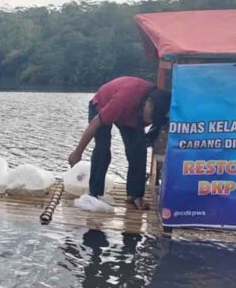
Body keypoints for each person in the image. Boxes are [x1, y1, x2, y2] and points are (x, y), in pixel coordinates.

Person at [67, 76, 171, 210]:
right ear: (148, 103)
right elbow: (94, 125)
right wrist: (78, 152)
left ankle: (135, 195)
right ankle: (95, 193)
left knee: (138, 150)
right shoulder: (123, 100)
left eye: (153, 120)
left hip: (129, 114)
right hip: (102, 104)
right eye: (150, 117)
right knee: (103, 149)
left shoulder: (158, 103)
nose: (149, 121)